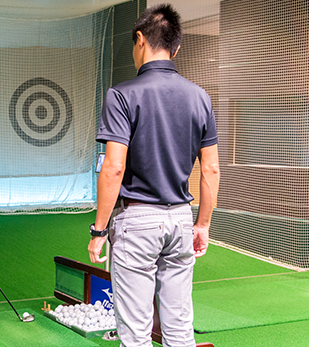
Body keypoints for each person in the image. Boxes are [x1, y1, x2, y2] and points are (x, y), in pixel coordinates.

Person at [87, 4, 220, 347]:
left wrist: (99, 229)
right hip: (180, 219)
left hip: (137, 220)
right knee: (179, 331)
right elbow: (211, 169)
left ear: (140, 40)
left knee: (136, 335)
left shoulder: (121, 95)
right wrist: (202, 224)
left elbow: (114, 167)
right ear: (175, 49)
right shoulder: (201, 98)